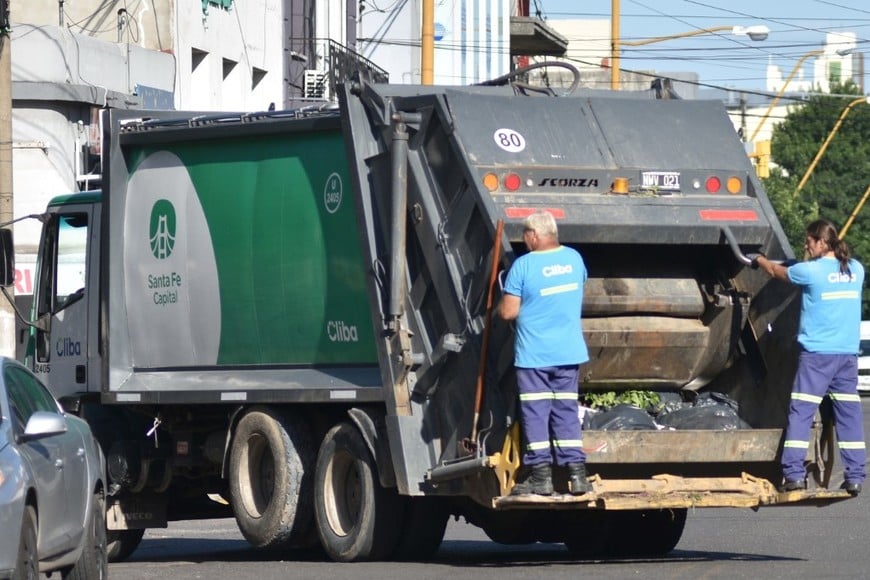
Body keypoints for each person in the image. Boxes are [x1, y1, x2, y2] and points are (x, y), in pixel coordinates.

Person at [753, 219, 866, 496]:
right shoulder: (856, 269)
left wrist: (758, 259)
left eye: (809, 242)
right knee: (849, 415)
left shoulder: (810, 272)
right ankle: (855, 477)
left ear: (822, 242)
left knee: (801, 412)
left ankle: (794, 474)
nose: (806, 246)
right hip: (846, 357)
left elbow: (776, 272)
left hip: (817, 357)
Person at [497, 211, 592, 496]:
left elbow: (508, 312)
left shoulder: (524, 266)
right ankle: (577, 475)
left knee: (537, 413)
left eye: (525, 235)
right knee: (566, 412)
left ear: (534, 235)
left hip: (535, 357)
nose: (525, 240)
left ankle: (541, 477)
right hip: (568, 353)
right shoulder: (575, 259)